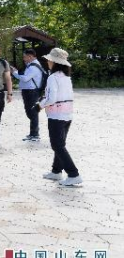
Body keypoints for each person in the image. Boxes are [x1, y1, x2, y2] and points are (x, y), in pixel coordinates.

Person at [39, 48, 82, 186]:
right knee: (60, 145)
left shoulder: (52, 77)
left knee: (57, 145)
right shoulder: (66, 77)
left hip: (56, 115)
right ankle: (56, 171)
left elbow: (52, 98)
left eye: (49, 60)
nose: (48, 62)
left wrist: (39, 106)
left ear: (55, 62)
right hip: (68, 114)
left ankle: (73, 174)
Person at [11, 49, 46, 142]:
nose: (23, 59)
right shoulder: (31, 65)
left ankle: (35, 134)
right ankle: (33, 133)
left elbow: (25, 78)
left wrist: (14, 73)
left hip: (31, 92)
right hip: (29, 91)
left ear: (30, 56)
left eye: (24, 57)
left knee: (32, 113)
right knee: (31, 112)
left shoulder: (33, 67)